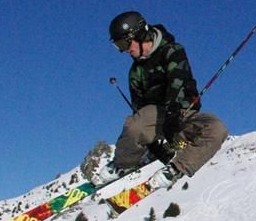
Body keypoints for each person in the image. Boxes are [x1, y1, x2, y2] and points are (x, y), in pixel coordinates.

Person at [92, 11, 228, 189]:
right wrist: (152, 143)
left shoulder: (172, 51)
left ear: (139, 34)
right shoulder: (135, 72)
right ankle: (122, 164)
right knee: (135, 124)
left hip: (181, 116)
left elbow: (177, 80)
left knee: (217, 128)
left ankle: (174, 169)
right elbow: (138, 110)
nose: (125, 50)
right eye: (119, 46)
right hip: (156, 117)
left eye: (124, 43)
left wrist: (173, 117)